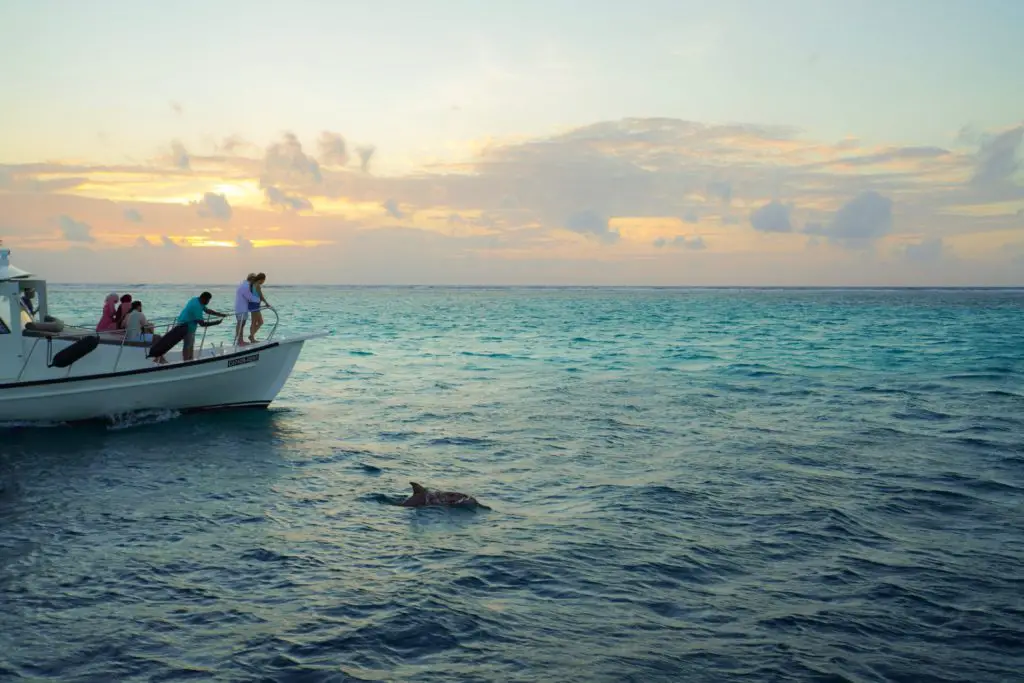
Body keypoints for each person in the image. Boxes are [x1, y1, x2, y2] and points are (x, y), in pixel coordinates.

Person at [175, 291, 227, 361]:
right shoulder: (196, 307)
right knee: (187, 345)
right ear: (204, 298)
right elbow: (202, 324)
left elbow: (207, 310)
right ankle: (186, 361)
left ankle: (190, 359)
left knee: (191, 344)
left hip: (188, 326)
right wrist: (216, 323)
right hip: (185, 326)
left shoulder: (196, 300)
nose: (208, 302)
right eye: (208, 300)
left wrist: (220, 314)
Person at [234, 273, 259, 345]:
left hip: (241, 308)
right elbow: (250, 297)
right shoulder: (245, 286)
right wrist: (258, 299)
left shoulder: (243, 285)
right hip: (241, 309)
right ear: (252, 280)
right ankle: (240, 341)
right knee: (240, 324)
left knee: (241, 324)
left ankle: (240, 340)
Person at [248, 272, 272, 343]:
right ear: (261, 279)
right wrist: (266, 303)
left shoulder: (253, 284)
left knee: (259, 322)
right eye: (264, 280)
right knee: (255, 322)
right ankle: (252, 338)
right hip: (254, 305)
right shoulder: (257, 285)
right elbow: (261, 296)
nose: (263, 282)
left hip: (254, 305)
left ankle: (251, 336)